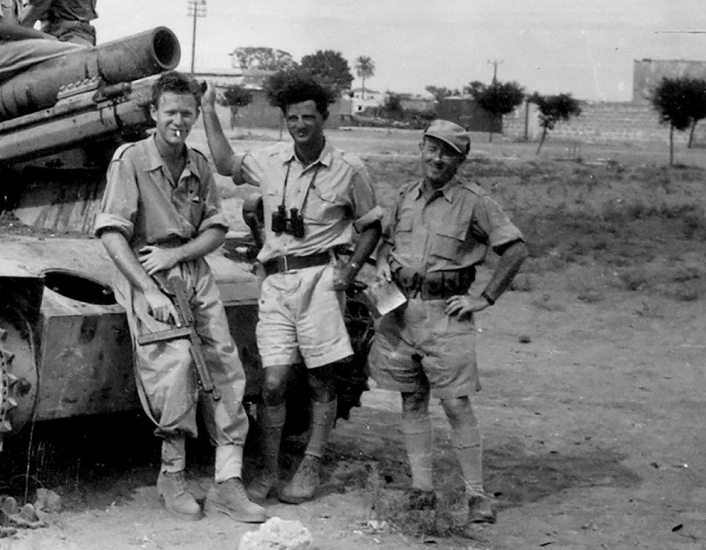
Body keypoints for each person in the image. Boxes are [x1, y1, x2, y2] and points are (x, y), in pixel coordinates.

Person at [94, 72, 267, 524]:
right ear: (153, 113)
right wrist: (149, 288)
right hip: (145, 270)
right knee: (173, 366)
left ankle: (229, 482)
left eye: (186, 113)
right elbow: (112, 233)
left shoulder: (199, 165)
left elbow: (214, 228)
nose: (178, 121)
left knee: (224, 366)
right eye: (169, 112)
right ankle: (172, 476)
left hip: (191, 270)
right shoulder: (130, 160)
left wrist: (179, 254)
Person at [202, 76, 382, 504]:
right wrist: (209, 111)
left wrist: (350, 270)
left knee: (321, 380)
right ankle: (267, 468)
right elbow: (226, 163)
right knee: (274, 382)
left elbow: (372, 225)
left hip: (321, 280)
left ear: (324, 119)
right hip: (277, 281)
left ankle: (311, 465)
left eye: (309, 117)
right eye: (293, 118)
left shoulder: (349, 168)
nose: (301, 125)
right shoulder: (270, 159)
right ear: (285, 120)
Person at [369, 119, 528, 524]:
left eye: (448, 154)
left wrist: (484, 298)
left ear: (460, 161)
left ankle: (476, 496)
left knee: (456, 403)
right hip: (402, 312)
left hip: (446, 315)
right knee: (411, 399)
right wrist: (384, 265)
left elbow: (515, 250)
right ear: (421, 148)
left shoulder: (475, 201)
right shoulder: (405, 195)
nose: (437, 159)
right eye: (432, 149)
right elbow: (385, 242)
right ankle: (422, 488)